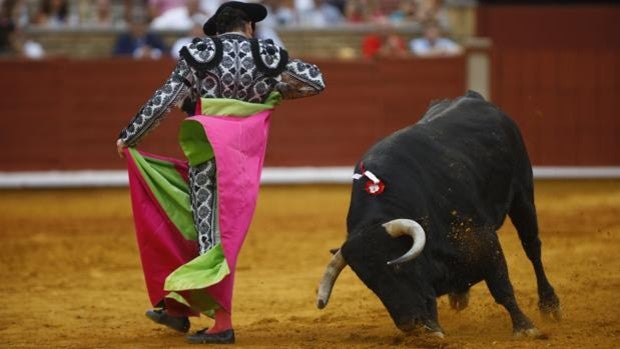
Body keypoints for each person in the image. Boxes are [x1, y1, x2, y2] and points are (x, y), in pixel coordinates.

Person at [116, 1, 324, 345]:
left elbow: (166, 99)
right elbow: (316, 81)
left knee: (205, 231)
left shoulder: (201, 52)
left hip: (208, 155)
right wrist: (275, 91)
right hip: (241, 160)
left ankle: (222, 324)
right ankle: (178, 309)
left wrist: (130, 135)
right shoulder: (268, 55)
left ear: (216, 28)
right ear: (249, 27)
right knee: (211, 229)